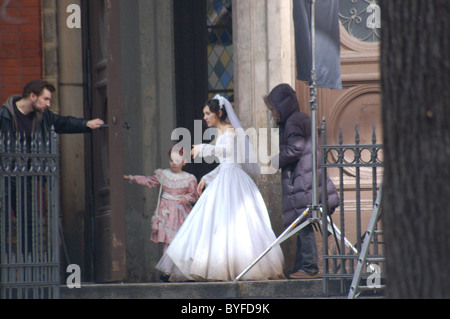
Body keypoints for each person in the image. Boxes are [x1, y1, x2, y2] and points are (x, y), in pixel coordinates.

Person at [155, 95, 285, 282]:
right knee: (211, 223)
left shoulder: (230, 131)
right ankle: (210, 265)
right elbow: (226, 163)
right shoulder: (221, 133)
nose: (205, 117)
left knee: (236, 224)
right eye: (204, 114)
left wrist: (203, 149)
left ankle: (239, 266)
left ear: (219, 113)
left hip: (233, 182)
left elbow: (227, 153)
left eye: (208, 113)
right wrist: (206, 177)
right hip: (226, 176)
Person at [264, 83, 339, 279]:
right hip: (303, 179)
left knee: (304, 223)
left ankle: (309, 267)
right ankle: (301, 265)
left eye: (273, 109)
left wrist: (275, 161)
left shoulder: (294, 121)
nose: (272, 113)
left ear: (283, 106)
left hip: (303, 180)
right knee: (301, 222)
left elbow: (296, 148)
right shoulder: (296, 120)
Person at [124, 147, 198, 254]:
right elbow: (149, 181)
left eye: (177, 161)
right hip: (167, 212)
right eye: (172, 160)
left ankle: (180, 266)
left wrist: (185, 198)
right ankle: (168, 266)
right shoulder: (163, 175)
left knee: (181, 238)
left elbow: (194, 195)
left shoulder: (189, 178)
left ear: (184, 162)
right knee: (168, 241)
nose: (174, 163)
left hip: (180, 212)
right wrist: (131, 178)